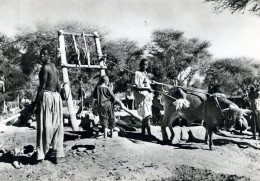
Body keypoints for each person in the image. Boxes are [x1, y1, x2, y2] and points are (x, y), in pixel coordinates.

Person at [32, 46, 64, 164]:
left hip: (47, 97)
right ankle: (56, 152)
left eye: (44, 54)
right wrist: (59, 99)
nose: (41, 56)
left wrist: (35, 104)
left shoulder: (45, 68)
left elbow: (42, 87)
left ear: (49, 55)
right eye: (40, 54)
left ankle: (41, 155)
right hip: (56, 96)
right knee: (56, 125)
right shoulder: (55, 68)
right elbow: (59, 85)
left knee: (44, 125)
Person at [133, 59, 154, 137]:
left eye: (146, 65)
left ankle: (142, 132)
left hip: (147, 97)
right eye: (143, 64)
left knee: (145, 116)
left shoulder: (145, 73)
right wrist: (146, 89)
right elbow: (135, 87)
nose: (145, 66)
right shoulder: (137, 73)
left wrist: (150, 85)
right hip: (141, 97)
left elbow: (146, 84)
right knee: (147, 116)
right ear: (140, 65)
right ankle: (149, 134)